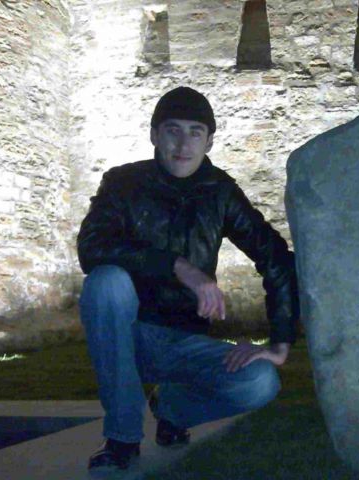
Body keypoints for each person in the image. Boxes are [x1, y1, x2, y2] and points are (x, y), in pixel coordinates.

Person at [76, 86, 300, 471]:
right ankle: (122, 438)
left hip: (185, 342)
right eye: (172, 131)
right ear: (154, 135)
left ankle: (171, 409)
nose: (183, 144)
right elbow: (91, 247)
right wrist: (179, 266)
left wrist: (280, 342)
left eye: (195, 132)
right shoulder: (124, 183)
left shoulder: (220, 192)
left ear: (209, 141)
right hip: (126, 333)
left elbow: (275, 257)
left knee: (261, 381)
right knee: (105, 282)